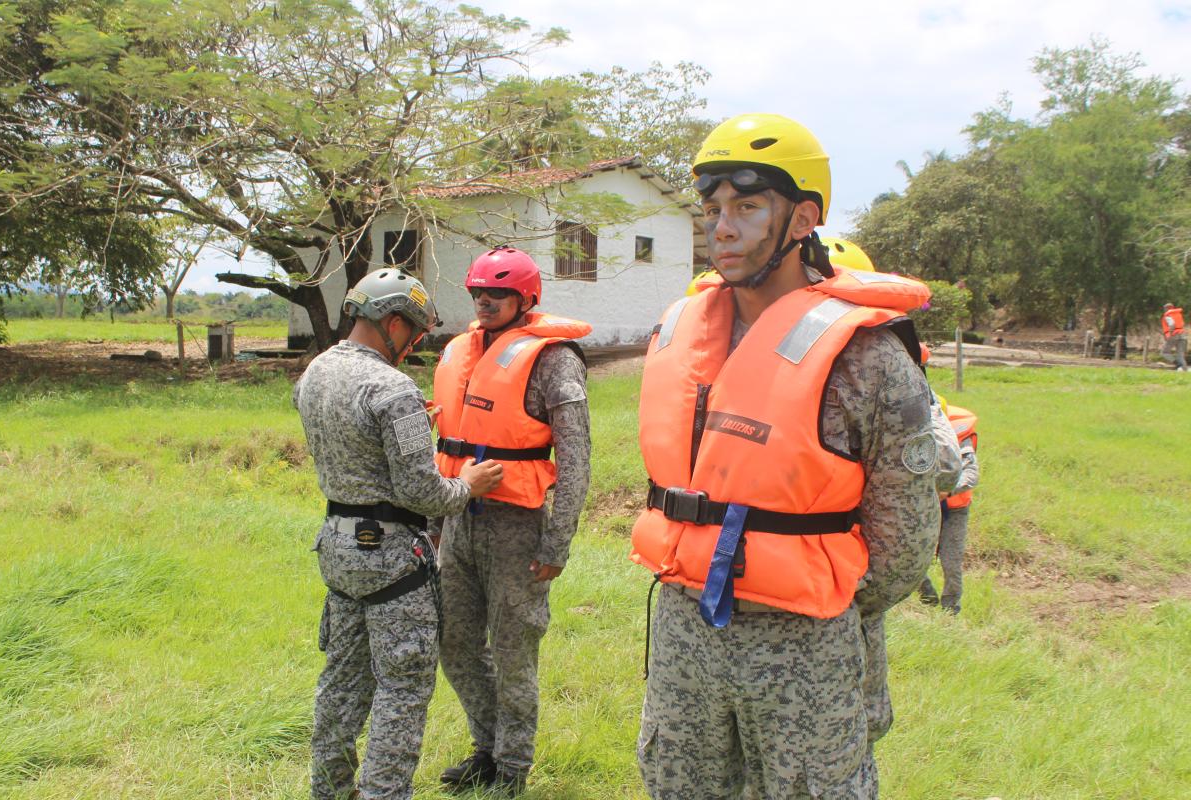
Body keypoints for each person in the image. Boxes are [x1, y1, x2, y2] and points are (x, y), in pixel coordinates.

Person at [630, 113, 942, 798]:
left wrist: (813, 594)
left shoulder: (869, 360)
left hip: (805, 640)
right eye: (713, 209)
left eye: (747, 206)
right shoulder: (681, 331)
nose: (724, 227)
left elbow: (904, 542)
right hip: (685, 627)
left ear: (803, 219)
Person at [295, 268, 504, 800]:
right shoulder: (392, 389)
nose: (414, 347)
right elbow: (423, 494)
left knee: (341, 684)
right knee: (403, 688)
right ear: (392, 323)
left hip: (337, 547)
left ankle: (330, 790)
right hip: (393, 558)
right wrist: (468, 486)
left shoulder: (315, 373)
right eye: (414, 333)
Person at [431, 247, 593, 796]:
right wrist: (436, 521)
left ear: (526, 299)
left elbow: (577, 459)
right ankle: (486, 747)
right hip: (457, 516)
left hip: (517, 525)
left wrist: (558, 542)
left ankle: (513, 770)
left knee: (513, 650)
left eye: (496, 293)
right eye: (477, 291)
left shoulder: (555, 359)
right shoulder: (460, 350)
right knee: (453, 639)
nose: (483, 301)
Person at [825, 239, 962, 746]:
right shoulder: (882, 358)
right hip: (851, 577)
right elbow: (946, 467)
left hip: (767, 581)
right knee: (853, 726)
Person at [919, 401, 979, 614]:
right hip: (922, 508)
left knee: (951, 564)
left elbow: (972, 474)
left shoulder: (960, 430)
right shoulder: (913, 427)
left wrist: (946, 490)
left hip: (955, 509)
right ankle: (927, 597)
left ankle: (951, 611)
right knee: (913, 556)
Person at [1162, 302, 1186, 371]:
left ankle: (1178, 364)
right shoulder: (1178, 314)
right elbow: (1182, 324)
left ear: (1167, 308)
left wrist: (1170, 334)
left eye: (1164, 308)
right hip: (1182, 334)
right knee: (1180, 354)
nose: (1164, 310)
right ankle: (1184, 370)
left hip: (1174, 334)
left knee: (1164, 352)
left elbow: (1172, 324)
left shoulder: (1168, 315)